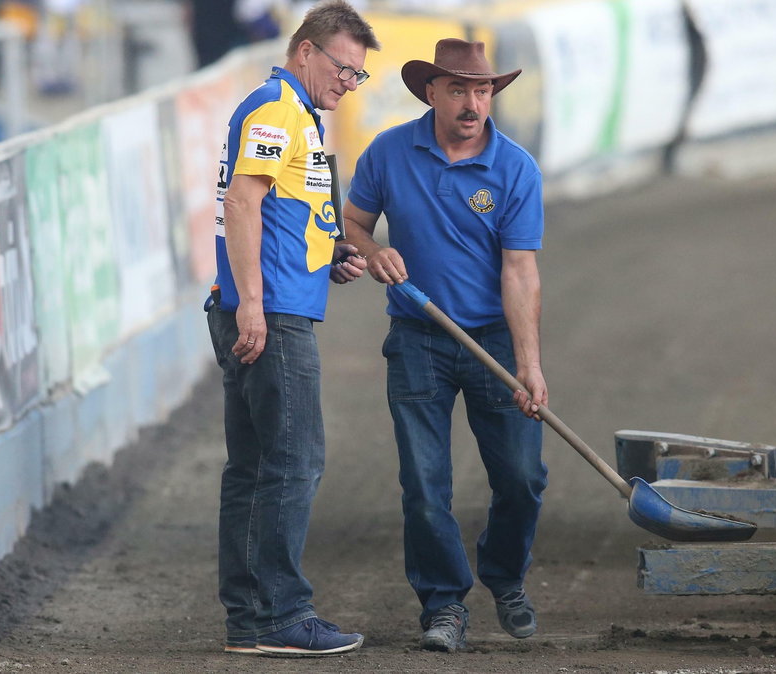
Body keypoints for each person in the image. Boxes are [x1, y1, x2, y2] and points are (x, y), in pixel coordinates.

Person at [341, 38, 548, 653]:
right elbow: (351, 224)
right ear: (430, 92)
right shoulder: (388, 153)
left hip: (494, 341)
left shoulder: (515, 170)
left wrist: (530, 367)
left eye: (481, 90)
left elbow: (520, 271)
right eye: (457, 89)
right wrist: (373, 252)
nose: (471, 103)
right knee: (424, 482)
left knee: (521, 477)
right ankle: (444, 604)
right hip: (417, 338)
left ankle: (505, 575)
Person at [204, 0, 377, 657]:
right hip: (269, 315)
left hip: (265, 304)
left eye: (358, 76)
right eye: (343, 68)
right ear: (304, 51)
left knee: (254, 465)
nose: (348, 82)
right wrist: (253, 302)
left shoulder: (292, 113)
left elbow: (275, 207)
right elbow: (243, 198)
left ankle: (252, 617)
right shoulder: (277, 109)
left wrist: (325, 253)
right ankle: (277, 614)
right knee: (293, 460)